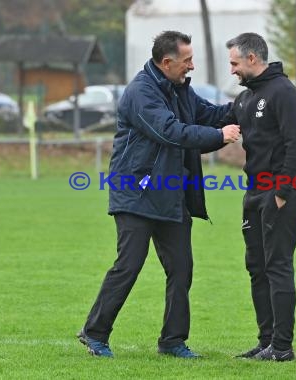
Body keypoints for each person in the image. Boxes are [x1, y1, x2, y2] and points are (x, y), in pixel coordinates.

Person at [77, 31, 241, 359]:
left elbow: (210, 114)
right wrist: (219, 137)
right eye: (187, 61)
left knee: (182, 269)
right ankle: (94, 332)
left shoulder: (181, 89)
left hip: (170, 195)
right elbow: (169, 132)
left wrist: (251, 100)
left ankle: (172, 341)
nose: (192, 66)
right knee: (129, 265)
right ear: (167, 62)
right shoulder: (141, 92)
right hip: (135, 194)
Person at [220, 33, 296, 361]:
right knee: (257, 267)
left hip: (281, 192)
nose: (231, 69)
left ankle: (283, 347)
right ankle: (266, 341)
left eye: (234, 63)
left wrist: (283, 192)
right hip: (255, 191)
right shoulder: (245, 99)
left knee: (277, 266)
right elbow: (219, 122)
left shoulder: (283, 93)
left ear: (252, 59)